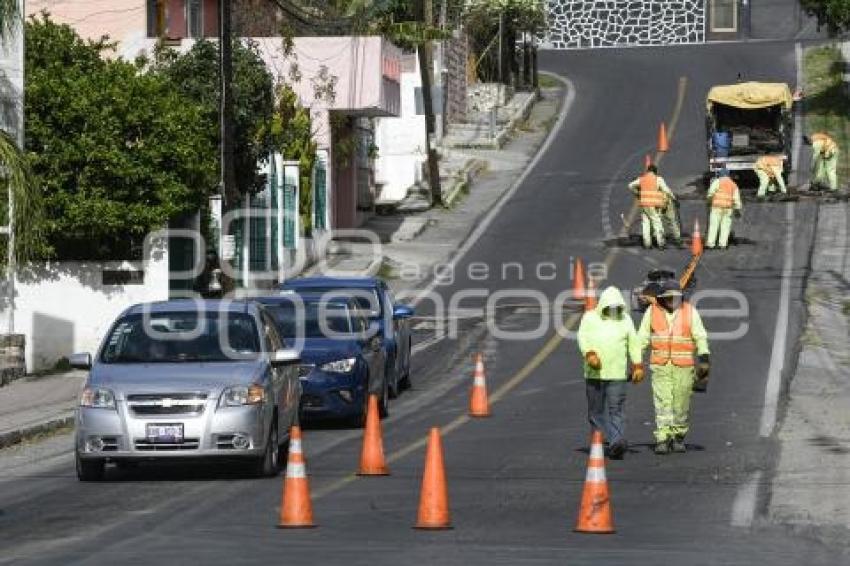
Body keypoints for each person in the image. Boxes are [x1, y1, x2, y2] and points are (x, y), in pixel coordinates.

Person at [638, 281, 710, 455]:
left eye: (675, 297)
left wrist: (704, 358)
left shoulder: (690, 312)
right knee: (663, 404)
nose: (672, 300)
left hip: (684, 368)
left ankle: (678, 437)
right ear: (662, 299)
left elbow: (700, 336)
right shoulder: (652, 312)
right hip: (660, 366)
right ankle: (662, 438)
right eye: (669, 297)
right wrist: (636, 362)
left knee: (681, 405)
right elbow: (642, 338)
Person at [577, 286, 644, 460]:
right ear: (603, 305)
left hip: (617, 374)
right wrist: (589, 353)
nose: (613, 310)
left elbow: (634, 343)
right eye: (610, 306)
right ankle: (600, 441)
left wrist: (637, 364)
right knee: (596, 411)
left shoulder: (625, 319)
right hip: (594, 374)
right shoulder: (590, 318)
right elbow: (583, 337)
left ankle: (616, 443)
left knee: (617, 409)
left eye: (616, 307)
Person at [628, 164, 676, 249]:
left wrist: (637, 193)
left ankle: (647, 244)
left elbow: (630, 185)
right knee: (657, 223)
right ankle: (661, 243)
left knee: (645, 223)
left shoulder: (641, 179)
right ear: (655, 171)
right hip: (653, 204)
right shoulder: (658, 179)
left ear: (648, 171)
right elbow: (666, 190)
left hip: (643, 204)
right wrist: (674, 198)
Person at [705, 169, 742, 250]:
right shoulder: (733, 185)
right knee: (725, 226)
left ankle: (711, 244)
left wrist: (708, 201)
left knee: (714, 225)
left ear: (720, 175)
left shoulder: (717, 182)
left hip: (716, 207)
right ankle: (723, 245)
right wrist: (737, 210)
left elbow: (711, 193)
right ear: (728, 175)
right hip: (728, 208)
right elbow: (736, 199)